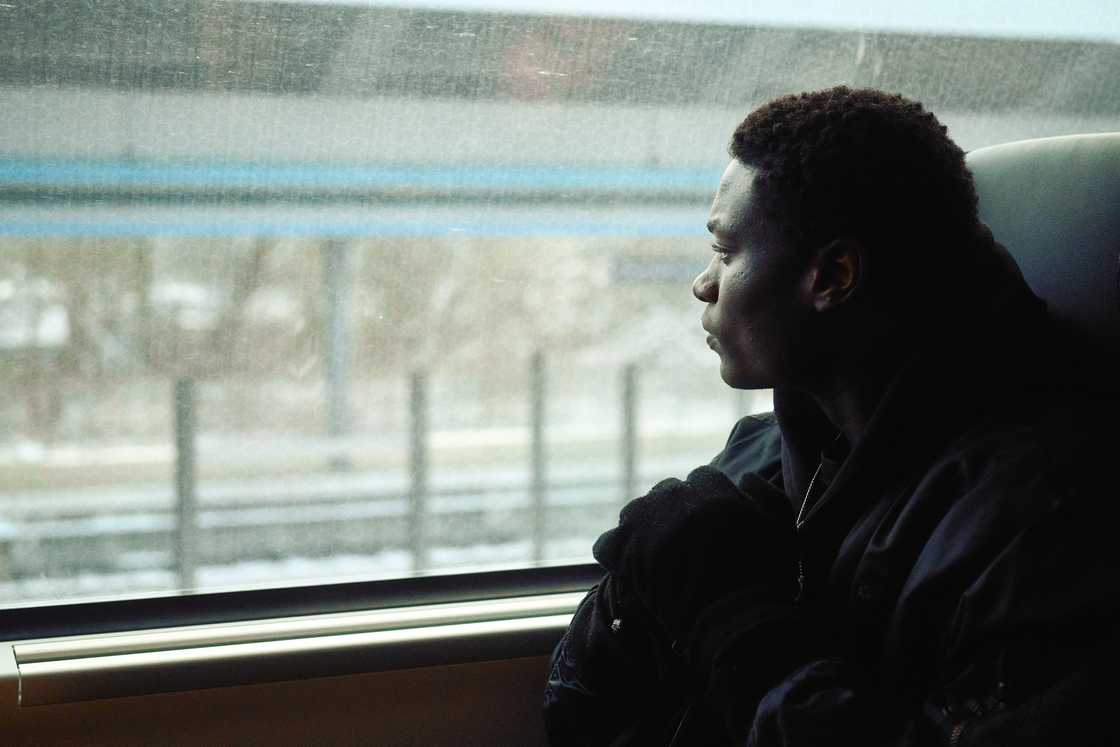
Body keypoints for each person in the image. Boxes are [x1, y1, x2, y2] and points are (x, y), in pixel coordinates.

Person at [543, 87, 1120, 745]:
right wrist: (637, 598)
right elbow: (574, 711)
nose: (703, 283)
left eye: (726, 252)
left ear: (834, 276)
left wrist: (735, 625)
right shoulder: (765, 453)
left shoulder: (1050, 520)